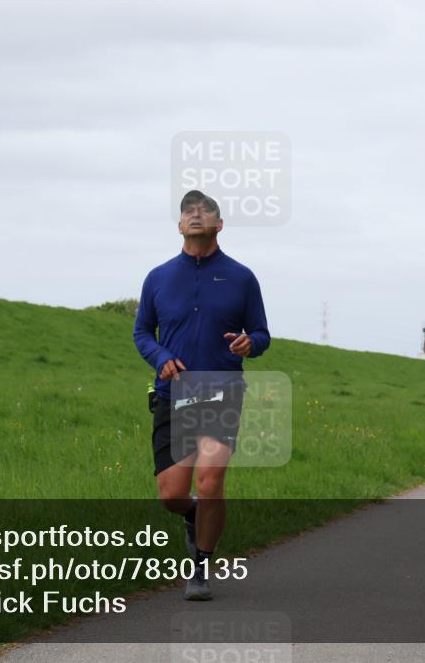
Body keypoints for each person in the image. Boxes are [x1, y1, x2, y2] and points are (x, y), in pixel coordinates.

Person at [133, 190, 270, 601]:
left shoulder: (242, 277)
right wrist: (160, 357)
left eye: (205, 210)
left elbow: (261, 333)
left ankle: (200, 569)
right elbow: (142, 332)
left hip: (222, 391)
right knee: (173, 495)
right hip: (171, 393)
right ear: (179, 226)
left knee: (210, 481)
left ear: (219, 224)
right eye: (188, 212)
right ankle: (193, 515)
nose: (196, 214)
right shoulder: (158, 278)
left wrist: (252, 343)